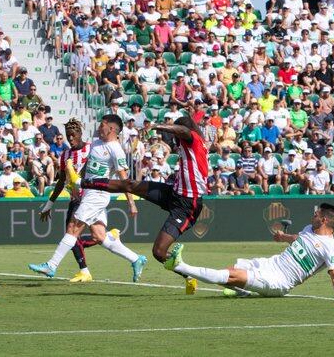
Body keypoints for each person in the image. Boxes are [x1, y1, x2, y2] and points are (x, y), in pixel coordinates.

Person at [68, 116, 208, 294]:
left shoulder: (193, 139)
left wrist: (159, 126)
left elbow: (184, 131)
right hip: (173, 193)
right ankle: (82, 183)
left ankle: (188, 275)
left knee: (158, 252)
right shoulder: (195, 141)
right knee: (130, 184)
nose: (175, 140)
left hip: (188, 204)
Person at [29, 115, 147, 282]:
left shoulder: (115, 149)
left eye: (102, 125)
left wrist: (131, 203)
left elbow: (124, 180)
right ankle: (136, 259)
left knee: (73, 227)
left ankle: (52, 265)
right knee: (100, 236)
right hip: (89, 193)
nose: (99, 127)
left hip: (98, 194)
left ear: (112, 129)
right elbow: (86, 168)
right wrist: (77, 181)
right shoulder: (97, 143)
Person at [164, 203, 334, 300]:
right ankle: (242, 292)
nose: (313, 216)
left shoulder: (331, 247)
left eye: (316, 214)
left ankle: (181, 266)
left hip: (279, 280)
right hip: (270, 263)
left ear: (325, 220)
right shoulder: (309, 228)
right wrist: (282, 238)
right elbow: (297, 238)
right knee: (231, 269)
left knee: (230, 276)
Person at [38, 118, 119, 283]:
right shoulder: (65, 154)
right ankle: (86, 268)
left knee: (71, 233)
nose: (71, 139)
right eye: (68, 137)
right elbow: (61, 181)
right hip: (76, 199)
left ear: (80, 134)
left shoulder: (91, 149)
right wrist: (49, 204)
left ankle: (72, 268)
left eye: (73, 135)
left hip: (90, 197)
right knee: (92, 236)